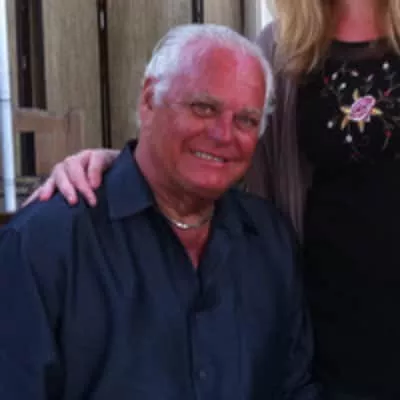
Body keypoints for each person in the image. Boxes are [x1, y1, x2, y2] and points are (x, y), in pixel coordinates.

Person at [29, 1, 400, 399]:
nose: (226, 126)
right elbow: (219, 148)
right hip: (327, 316)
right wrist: (123, 167)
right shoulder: (284, 45)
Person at [0, 24, 318, 399]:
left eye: (246, 120)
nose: (223, 134)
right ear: (149, 100)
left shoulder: (269, 240)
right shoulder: (44, 245)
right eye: (204, 108)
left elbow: (296, 388)